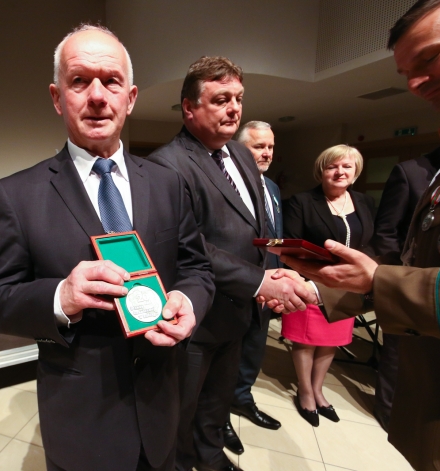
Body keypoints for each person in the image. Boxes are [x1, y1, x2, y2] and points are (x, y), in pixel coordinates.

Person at [0, 25, 215, 471]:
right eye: (79, 81)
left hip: (162, 406)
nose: (98, 96)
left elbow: (197, 268)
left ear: (131, 97)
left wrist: (189, 301)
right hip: (82, 421)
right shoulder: (18, 194)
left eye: (111, 81)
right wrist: (60, 297)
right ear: (57, 97)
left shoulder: (168, 183)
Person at [271, 1, 440, 468]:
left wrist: (378, 282)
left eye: (429, 57)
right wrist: (332, 286)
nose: (415, 83)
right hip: (439, 395)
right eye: (406, 72)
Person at [148, 57, 314, 471]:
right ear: (189, 108)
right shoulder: (167, 164)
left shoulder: (240, 153)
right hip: (198, 318)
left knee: (216, 406)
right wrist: (259, 281)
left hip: (240, 313)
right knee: (182, 412)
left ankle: (211, 461)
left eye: (238, 98)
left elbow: (257, 224)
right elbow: (189, 246)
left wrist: (275, 268)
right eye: (221, 99)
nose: (234, 108)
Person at [370, 111, 440, 431]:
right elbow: (386, 231)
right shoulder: (411, 171)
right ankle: (389, 414)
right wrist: (398, 278)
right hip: (409, 281)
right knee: (398, 354)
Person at [281, 145, 375, 426]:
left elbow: (371, 243)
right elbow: (292, 245)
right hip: (311, 282)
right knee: (306, 341)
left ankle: (319, 389)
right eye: (332, 166)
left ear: (356, 171)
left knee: (331, 341)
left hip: (347, 287)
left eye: (347, 166)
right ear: (321, 171)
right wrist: (306, 281)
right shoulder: (301, 202)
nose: (339, 172)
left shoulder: (365, 202)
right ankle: (305, 392)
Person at [227, 121, 282, 434]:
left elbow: (276, 237)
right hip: (235, 284)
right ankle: (218, 416)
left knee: (254, 348)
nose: (267, 153)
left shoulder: (271, 187)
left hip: (268, 285)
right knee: (227, 352)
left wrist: (281, 275)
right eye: (259, 146)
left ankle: (242, 397)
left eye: (270, 147)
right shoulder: (226, 184)